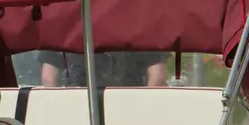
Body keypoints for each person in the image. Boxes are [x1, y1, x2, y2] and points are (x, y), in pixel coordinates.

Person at [37, 49, 170, 88]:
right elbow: (157, 79)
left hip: (77, 103)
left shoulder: (66, 27)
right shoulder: (140, 27)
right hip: (129, 103)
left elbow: (48, 78)